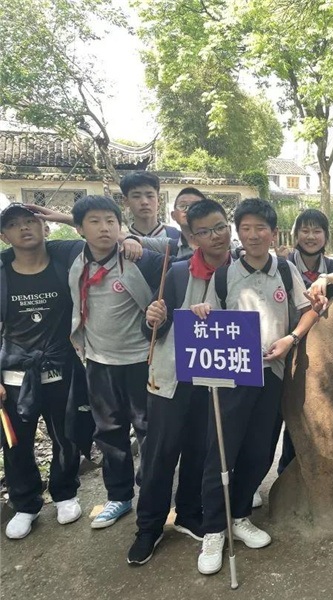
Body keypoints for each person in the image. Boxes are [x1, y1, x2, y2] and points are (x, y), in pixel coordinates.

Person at [190, 198, 318, 576]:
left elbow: (310, 309)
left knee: (260, 450)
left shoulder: (286, 270)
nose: (253, 234)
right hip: (233, 377)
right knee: (222, 453)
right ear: (238, 233)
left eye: (260, 228)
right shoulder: (224, 277)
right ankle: (214, 529)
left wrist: (291, 339)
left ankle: (241, 515)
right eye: (245, 228)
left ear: (273, 233)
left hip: (274, 374)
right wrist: (203, 312)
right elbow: (208, 318)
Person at [126, 199, 232, 565]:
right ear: (191, 236)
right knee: (160, 453)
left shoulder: (242, 270)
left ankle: (189, 513)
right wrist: (154, 316)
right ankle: (149, 527)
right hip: (173, 378)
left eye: (220, 226)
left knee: (201, 451)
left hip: (218, 378)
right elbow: (155, 328)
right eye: (204, 231)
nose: (215, 236)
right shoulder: (179, 273)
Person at [67, 195, 167, 529]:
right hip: (98, 362)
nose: (104, 228)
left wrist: (133, 240)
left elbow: (176, 252)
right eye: (94, 221)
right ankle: (119, 497)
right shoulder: (73, 260)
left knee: (148, 430)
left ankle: (153, 494)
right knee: (108, 432)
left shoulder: (140, 260)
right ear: (79, 228)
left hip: (141, 360)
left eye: (111, 221)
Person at [0, 205, 84, 539]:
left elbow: (97, 238)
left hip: (60, 365)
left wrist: (63, 217)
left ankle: (66, 493)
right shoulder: (2, 271)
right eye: (14, 225)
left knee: (65, 434)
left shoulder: (64, 259)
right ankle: (26, 504)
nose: (25, 229)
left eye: (31, 221)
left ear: (44, 226)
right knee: (15, 442)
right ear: (4, 235)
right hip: (14, 372)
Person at [268, 209, 333, 486]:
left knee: (305, 418)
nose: (311, 236)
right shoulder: (282, 266)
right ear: (296, 234)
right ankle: (268, 477)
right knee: (273, 421)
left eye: (317, 231)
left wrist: (325, 279)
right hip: (281, 350)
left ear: (326, 236)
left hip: (318, 358)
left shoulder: (330, 268)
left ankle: (297, 477)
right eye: (305, 230)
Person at [120, 171, 181, 241]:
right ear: (126, 201)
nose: (144, 202)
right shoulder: (121, 242)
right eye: (136, 196)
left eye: (150, 196)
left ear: (158, 199)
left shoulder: (179, 238)